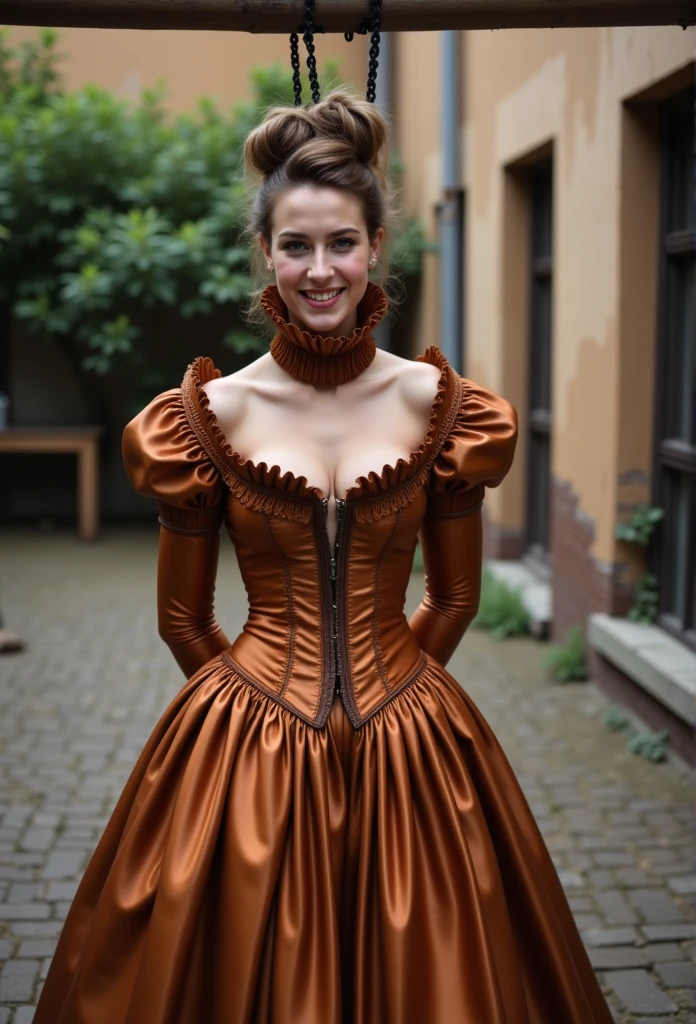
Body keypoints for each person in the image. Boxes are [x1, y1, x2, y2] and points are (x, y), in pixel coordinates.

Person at [34, 88, 614, 1023]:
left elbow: (457, 597)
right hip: (249, 735)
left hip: (411, 732)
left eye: (340, 242)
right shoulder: (210, 417)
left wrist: (399, 708)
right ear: (264, 252)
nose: (319, 269)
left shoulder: (443, 406)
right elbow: (182, 619)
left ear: (377, 244)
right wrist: (247, 722)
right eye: (295, 245)